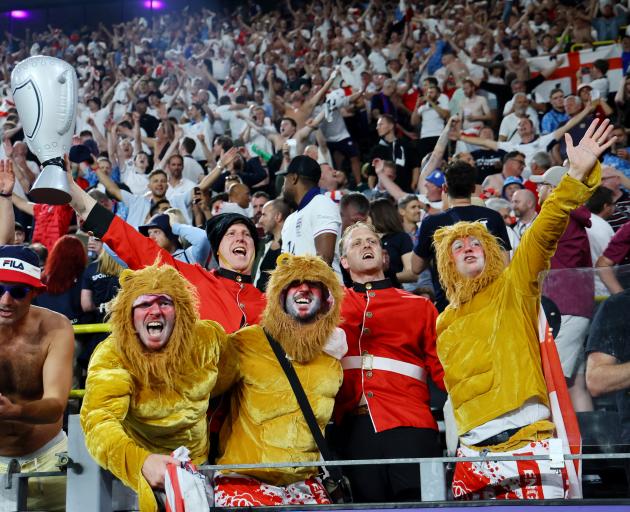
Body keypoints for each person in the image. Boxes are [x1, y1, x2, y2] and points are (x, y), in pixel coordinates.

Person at [433, 118, 614, 500]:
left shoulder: (513, 284)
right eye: (457, 245)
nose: (467, 246)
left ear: (491, 252)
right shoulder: (444, 320)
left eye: (476, 242)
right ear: (447, 263)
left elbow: (544, 232)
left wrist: (574, 178)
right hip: (472, 455)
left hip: (528, 443)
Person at [80, 263, 231, 512]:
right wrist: (140, 462)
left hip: (203, 468)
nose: (155, 311)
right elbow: (98, 422)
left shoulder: (207, 339)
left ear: (179, 311)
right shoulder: (113, 354)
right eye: (144, 304)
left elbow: (233, 376)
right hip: (139, 477)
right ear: (129, 315)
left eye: (164, 302)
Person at [66, 163, 265, 333]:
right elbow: (129, 241)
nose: (240, 238)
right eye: (231, 234)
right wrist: (73, 191)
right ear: (217, 250)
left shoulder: (273, 305)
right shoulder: (189, 278)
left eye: (247, 235)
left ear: (255, 250)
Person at [213, 254, 346, 506]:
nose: (304, 288)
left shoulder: (331, 361)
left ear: (327, 300)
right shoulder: (247, 341)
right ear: (279, 296)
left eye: (313, 284)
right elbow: (207, 385)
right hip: (245, 482)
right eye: (294, 283)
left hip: (304, 487)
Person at [333, 222, 444, 502]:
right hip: (352, 431)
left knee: (426, 508)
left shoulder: (420, 306)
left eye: (372, 241)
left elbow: (446, 373)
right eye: (356, 243)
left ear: (385, 257)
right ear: (344, 262)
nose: (366, 245)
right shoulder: (328, 308)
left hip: (413, 427)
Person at [0, 161, 74, 512]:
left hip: (48, 459)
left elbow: (56, 404)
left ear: (34, 294)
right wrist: (4, 196)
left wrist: (16, 410)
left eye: (16, 292)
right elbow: (4, 249)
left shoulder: (55, 327)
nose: (5, 299)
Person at [412, 160, 511, 312]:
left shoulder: (431, 223)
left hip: (451, 307)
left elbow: (416, 267)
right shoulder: (494, 217)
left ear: (444, 188)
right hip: (490, 305)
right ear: (473, 188)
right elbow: (505, 265)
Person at [281, 155, 342, 279]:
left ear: (293, 178)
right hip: (298, 294)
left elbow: (324, 261)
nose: (283, 186)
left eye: (284, 179)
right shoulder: (289, 219)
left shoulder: (322, 204)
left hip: (325, 294)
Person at [138, 213, 210, 265]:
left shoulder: (189, 255)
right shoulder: (150, 264)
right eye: (149, 233)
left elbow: (202, 238)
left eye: (156, 232)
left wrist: (175, 226)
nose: (151, 237)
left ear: (170, 233)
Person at [254, 198, 290, 292]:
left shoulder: (292, 246)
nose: (260, 220)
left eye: (264, 215)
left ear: (278, 216)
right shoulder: (262, 245)